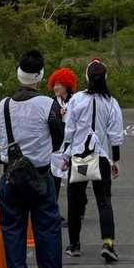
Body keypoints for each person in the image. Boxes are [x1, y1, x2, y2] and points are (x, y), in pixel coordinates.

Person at [0, 49, 71, 268]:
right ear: (40, 75)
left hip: (10, 175)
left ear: (19, 73)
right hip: (39, 176)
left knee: (12, 229)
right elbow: (58, 140)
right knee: (47, 229)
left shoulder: (3, 105)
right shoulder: (48, 104)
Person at [63, 59, 124, 262]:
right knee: (104, 200)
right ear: (105, 77)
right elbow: (115, 134)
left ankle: (74, 245)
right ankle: (108, 243)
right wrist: (116, 160)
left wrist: (65, 156)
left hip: (79, 157)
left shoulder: (77, 99)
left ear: (87, 77)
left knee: (75, 200)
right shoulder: (111, 102)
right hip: (101, 157)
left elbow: (69, 130)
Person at [48, 67, 78, 205]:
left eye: (58, 84)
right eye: (54, 84)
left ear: (67, 85)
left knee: (75, 184)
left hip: (73, 146)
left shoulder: (76, 101)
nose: (55, 87)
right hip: (56, 148)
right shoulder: (52, 102)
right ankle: (53, 211)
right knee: (53, 183)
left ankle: (77, 211)